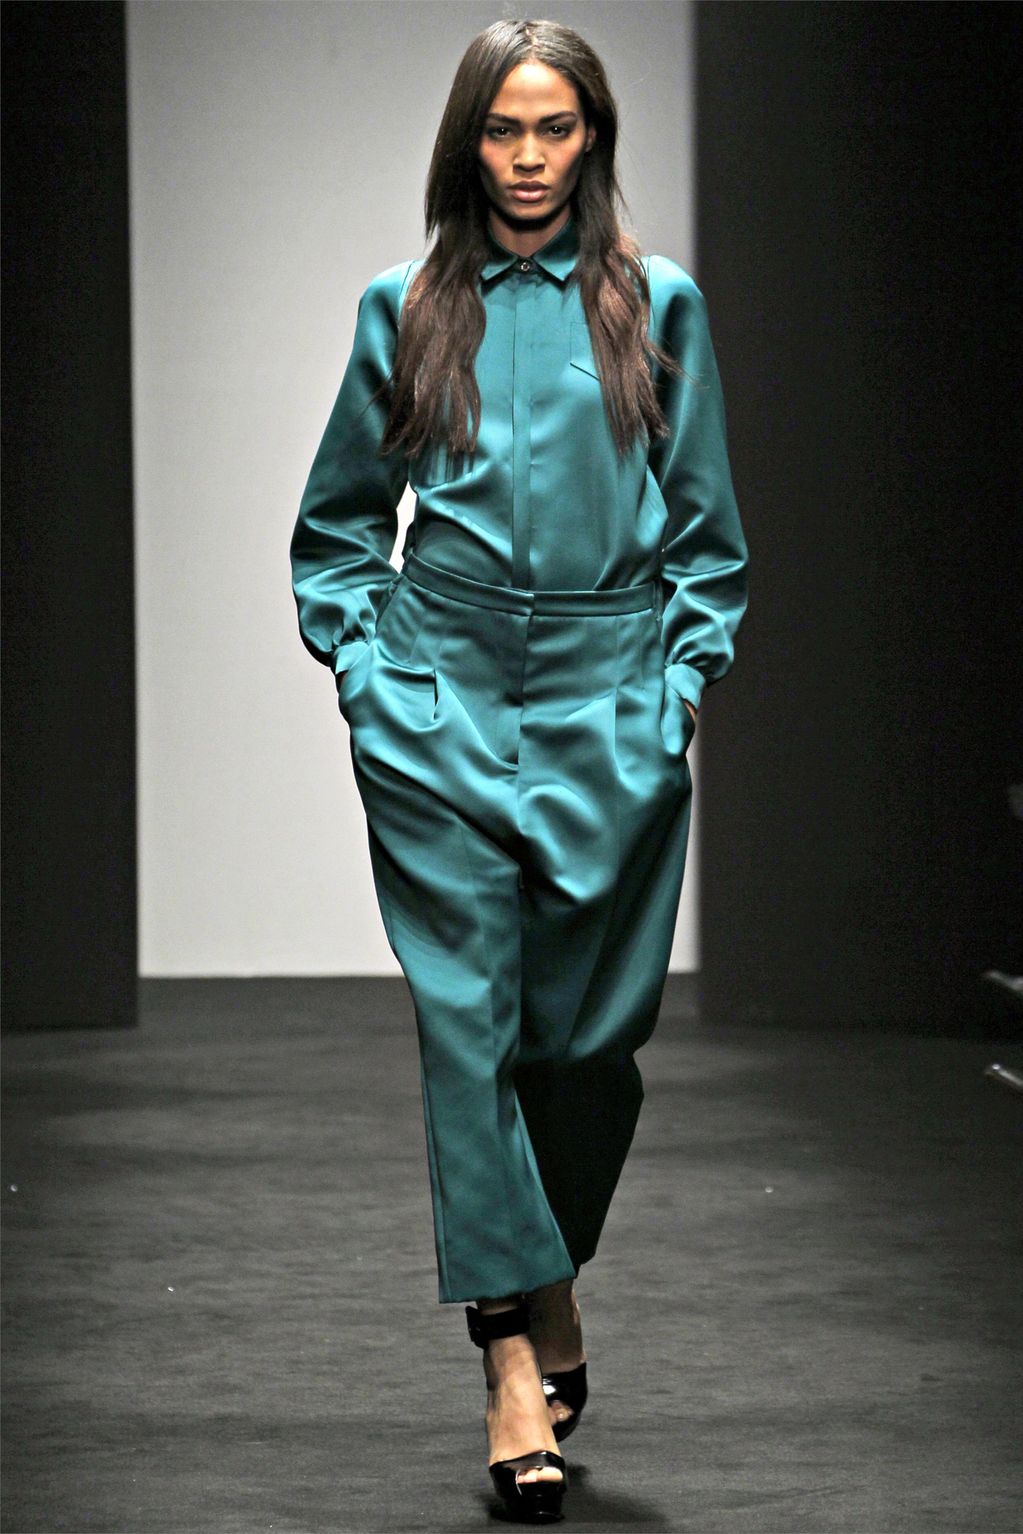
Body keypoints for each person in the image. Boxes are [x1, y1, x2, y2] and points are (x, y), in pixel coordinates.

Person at [290, 17, 748, 1524]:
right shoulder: (407, 308)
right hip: (443, 697)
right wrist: (371, 677)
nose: (531, 157)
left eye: (556, 128)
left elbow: (708, 537)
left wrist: (677, 689)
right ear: (467, 142)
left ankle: (545, 1270)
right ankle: (507, 1368)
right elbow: (338, 527)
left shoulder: (657, 307)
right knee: (468, 1032)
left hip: (611, 699)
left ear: (592, 139)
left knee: (587, 1040)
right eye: (504, 128)